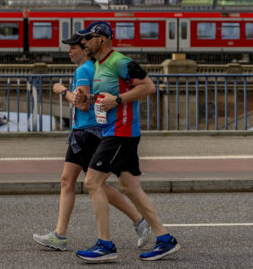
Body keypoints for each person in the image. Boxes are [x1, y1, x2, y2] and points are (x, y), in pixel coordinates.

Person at [72, 21, 180, 262]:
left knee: (92, 182)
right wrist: (87, 97)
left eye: (87, 38)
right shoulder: (99, 65)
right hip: (117, 131)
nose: (83, 43)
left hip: (121, 132)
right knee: (130, 187)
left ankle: (105, 245)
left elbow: (149, 87)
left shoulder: (119, 61)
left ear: (101, 40)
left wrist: (118, 100)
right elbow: (107, 95)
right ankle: (165, 239)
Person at [33, 32, 151, 252]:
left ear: (84, 49)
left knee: (95, 184)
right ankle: (60, 235)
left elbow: (82, 104)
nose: (69, 51)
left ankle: (138, 220)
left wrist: (62, 90)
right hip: (83, 133)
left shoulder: (84, 70)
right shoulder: (91, 69)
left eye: (73, 47)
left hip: (88, 134)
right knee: (67, 180)